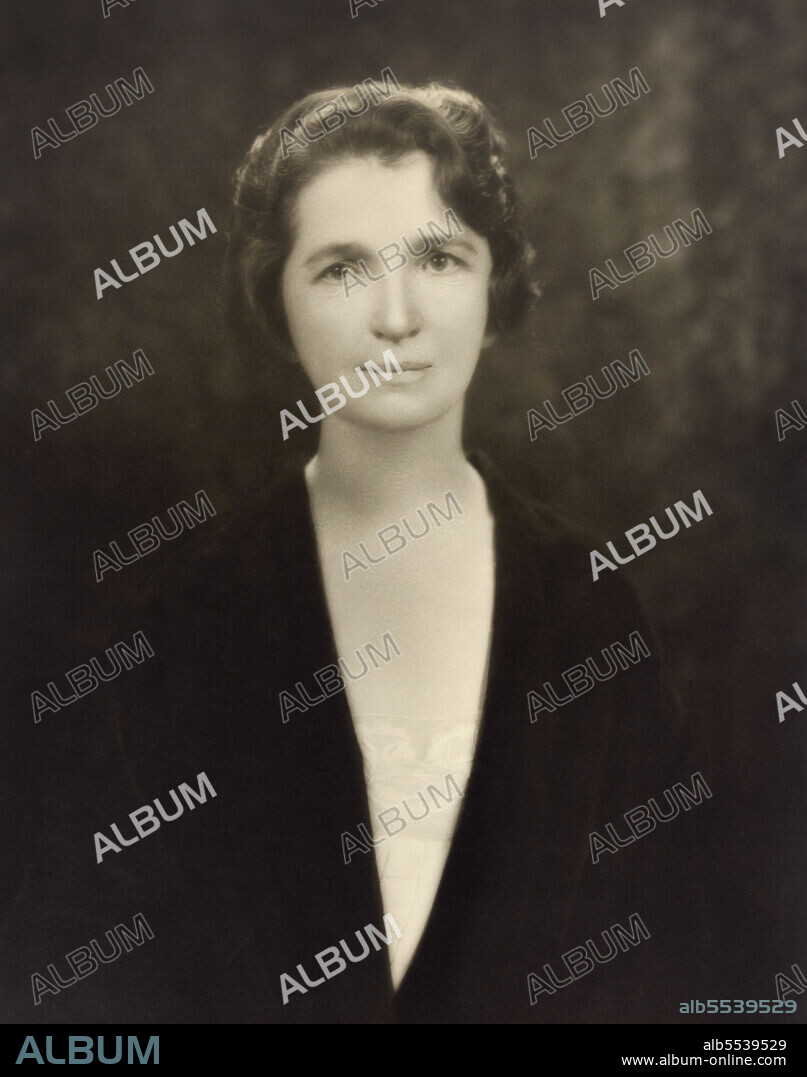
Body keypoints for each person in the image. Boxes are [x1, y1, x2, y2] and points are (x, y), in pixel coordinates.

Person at [9, 78, 699, 1025]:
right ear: (274, 300)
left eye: (441, 258)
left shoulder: (587, 605)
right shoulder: (174, 618)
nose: (397, 316)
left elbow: (670, 970)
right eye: (341, 268)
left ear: (493, 283)